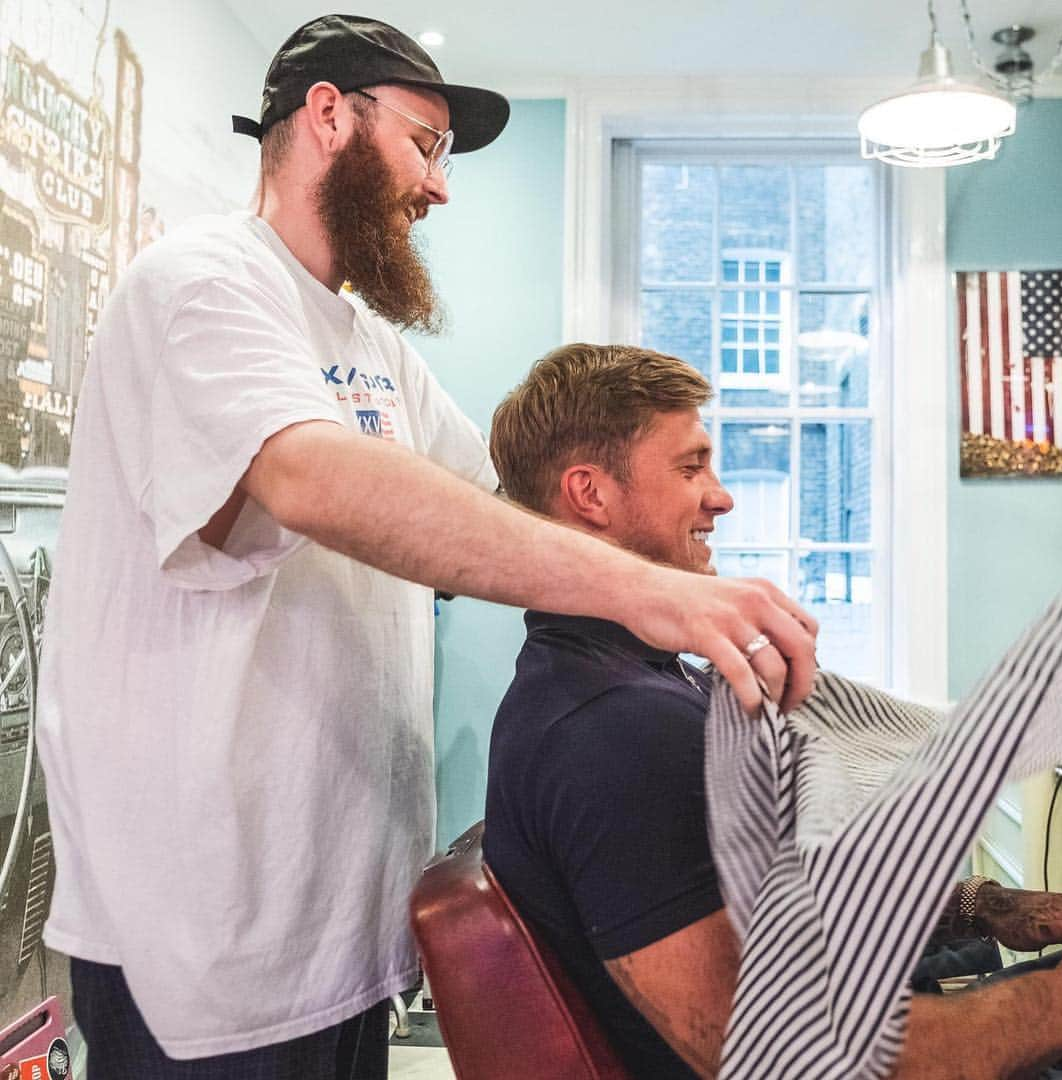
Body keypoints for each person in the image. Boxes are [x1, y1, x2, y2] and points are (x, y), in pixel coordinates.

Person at [34, 16, 819, 1080]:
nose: (440, 189)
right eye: (426, 143)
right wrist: (658, 598)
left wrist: (665, 522)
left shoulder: (372, 352)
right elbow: (310, 477)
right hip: (204, 946)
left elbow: (513, 510)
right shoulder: (202, 284)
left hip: (343, 938)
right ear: (327, 115)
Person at [483, 341, 1062, 1080]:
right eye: (690, 466)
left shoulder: (636, 682)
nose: (722, 495)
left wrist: (977, 908)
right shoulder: (613, 731)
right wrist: (1058, 1004)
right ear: (591, 495)